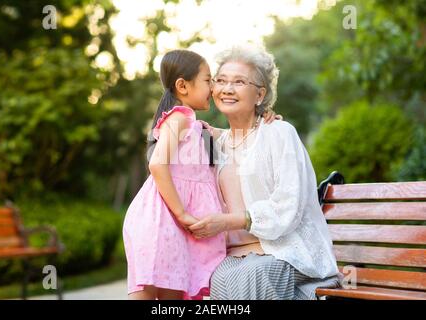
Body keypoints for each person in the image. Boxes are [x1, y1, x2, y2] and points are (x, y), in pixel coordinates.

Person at [123, 49, 279, 300]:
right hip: (160, 220)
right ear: (183, 86)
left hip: (174, 224)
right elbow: (157, 165)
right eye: (209, 80)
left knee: (174, 293)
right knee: (147, 291)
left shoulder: (199, 128)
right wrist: (182, 213)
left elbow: (236, 136)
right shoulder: (179, 119)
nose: (214, 87)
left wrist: (262, 117)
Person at [189, 45, 342, 300]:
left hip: (286, 252)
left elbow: (288, 204)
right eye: (222, 81)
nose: (227, 89)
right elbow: (162, 144)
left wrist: (229, 221)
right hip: (235, 257)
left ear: (260, 94)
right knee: (219, 277)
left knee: (255, 274)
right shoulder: (212, 141)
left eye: (239, 82)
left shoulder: (279, 133)